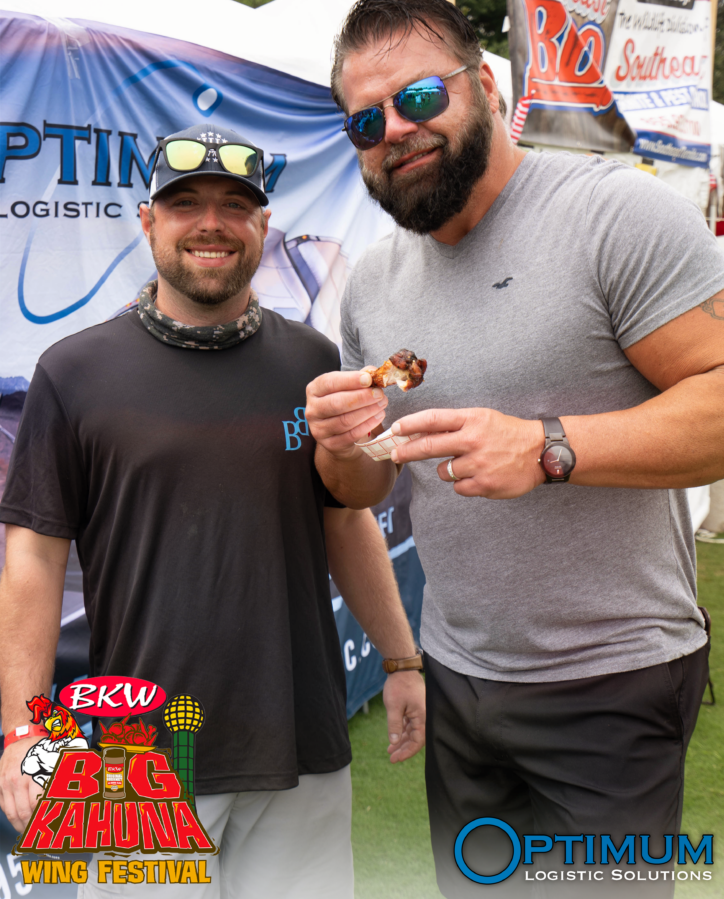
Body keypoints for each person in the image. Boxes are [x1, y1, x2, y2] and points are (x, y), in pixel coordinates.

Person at [305, 0, 724, 897]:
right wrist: (339, 443)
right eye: (364, 123)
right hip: (462, 674)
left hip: (609, 679)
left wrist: (547, 446)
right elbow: (358, 493)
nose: (395, 132)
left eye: (420, 98)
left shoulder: (611, 215)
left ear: (487, 86)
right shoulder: (373, 286)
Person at [0, 122, 426, 899]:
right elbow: (33, 556)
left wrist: (401, 659)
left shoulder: (311, 362)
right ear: (147, 221)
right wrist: (25, 729)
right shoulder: (73, 372)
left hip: (301, 742)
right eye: (184, 201)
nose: (210, 223)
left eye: (235, 205)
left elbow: (344, 520)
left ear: (264, 226)